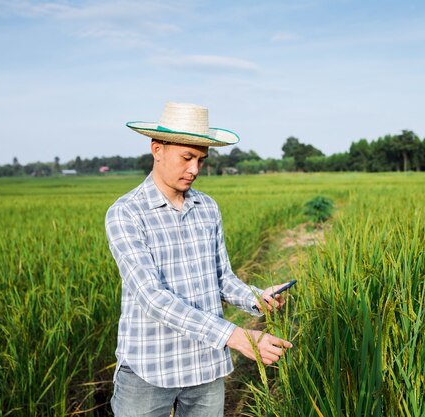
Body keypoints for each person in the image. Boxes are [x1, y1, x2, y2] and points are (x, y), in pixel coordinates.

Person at [105, 102, 293, 417]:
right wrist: (236, 336)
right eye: (187, 157)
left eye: (201, 160)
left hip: (206, 366)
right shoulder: (126, 212)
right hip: (150, 369)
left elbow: (221, 278)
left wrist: (256, 298)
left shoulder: (207, 207)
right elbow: (152, 297)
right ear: (157, 150)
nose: (194, 169)